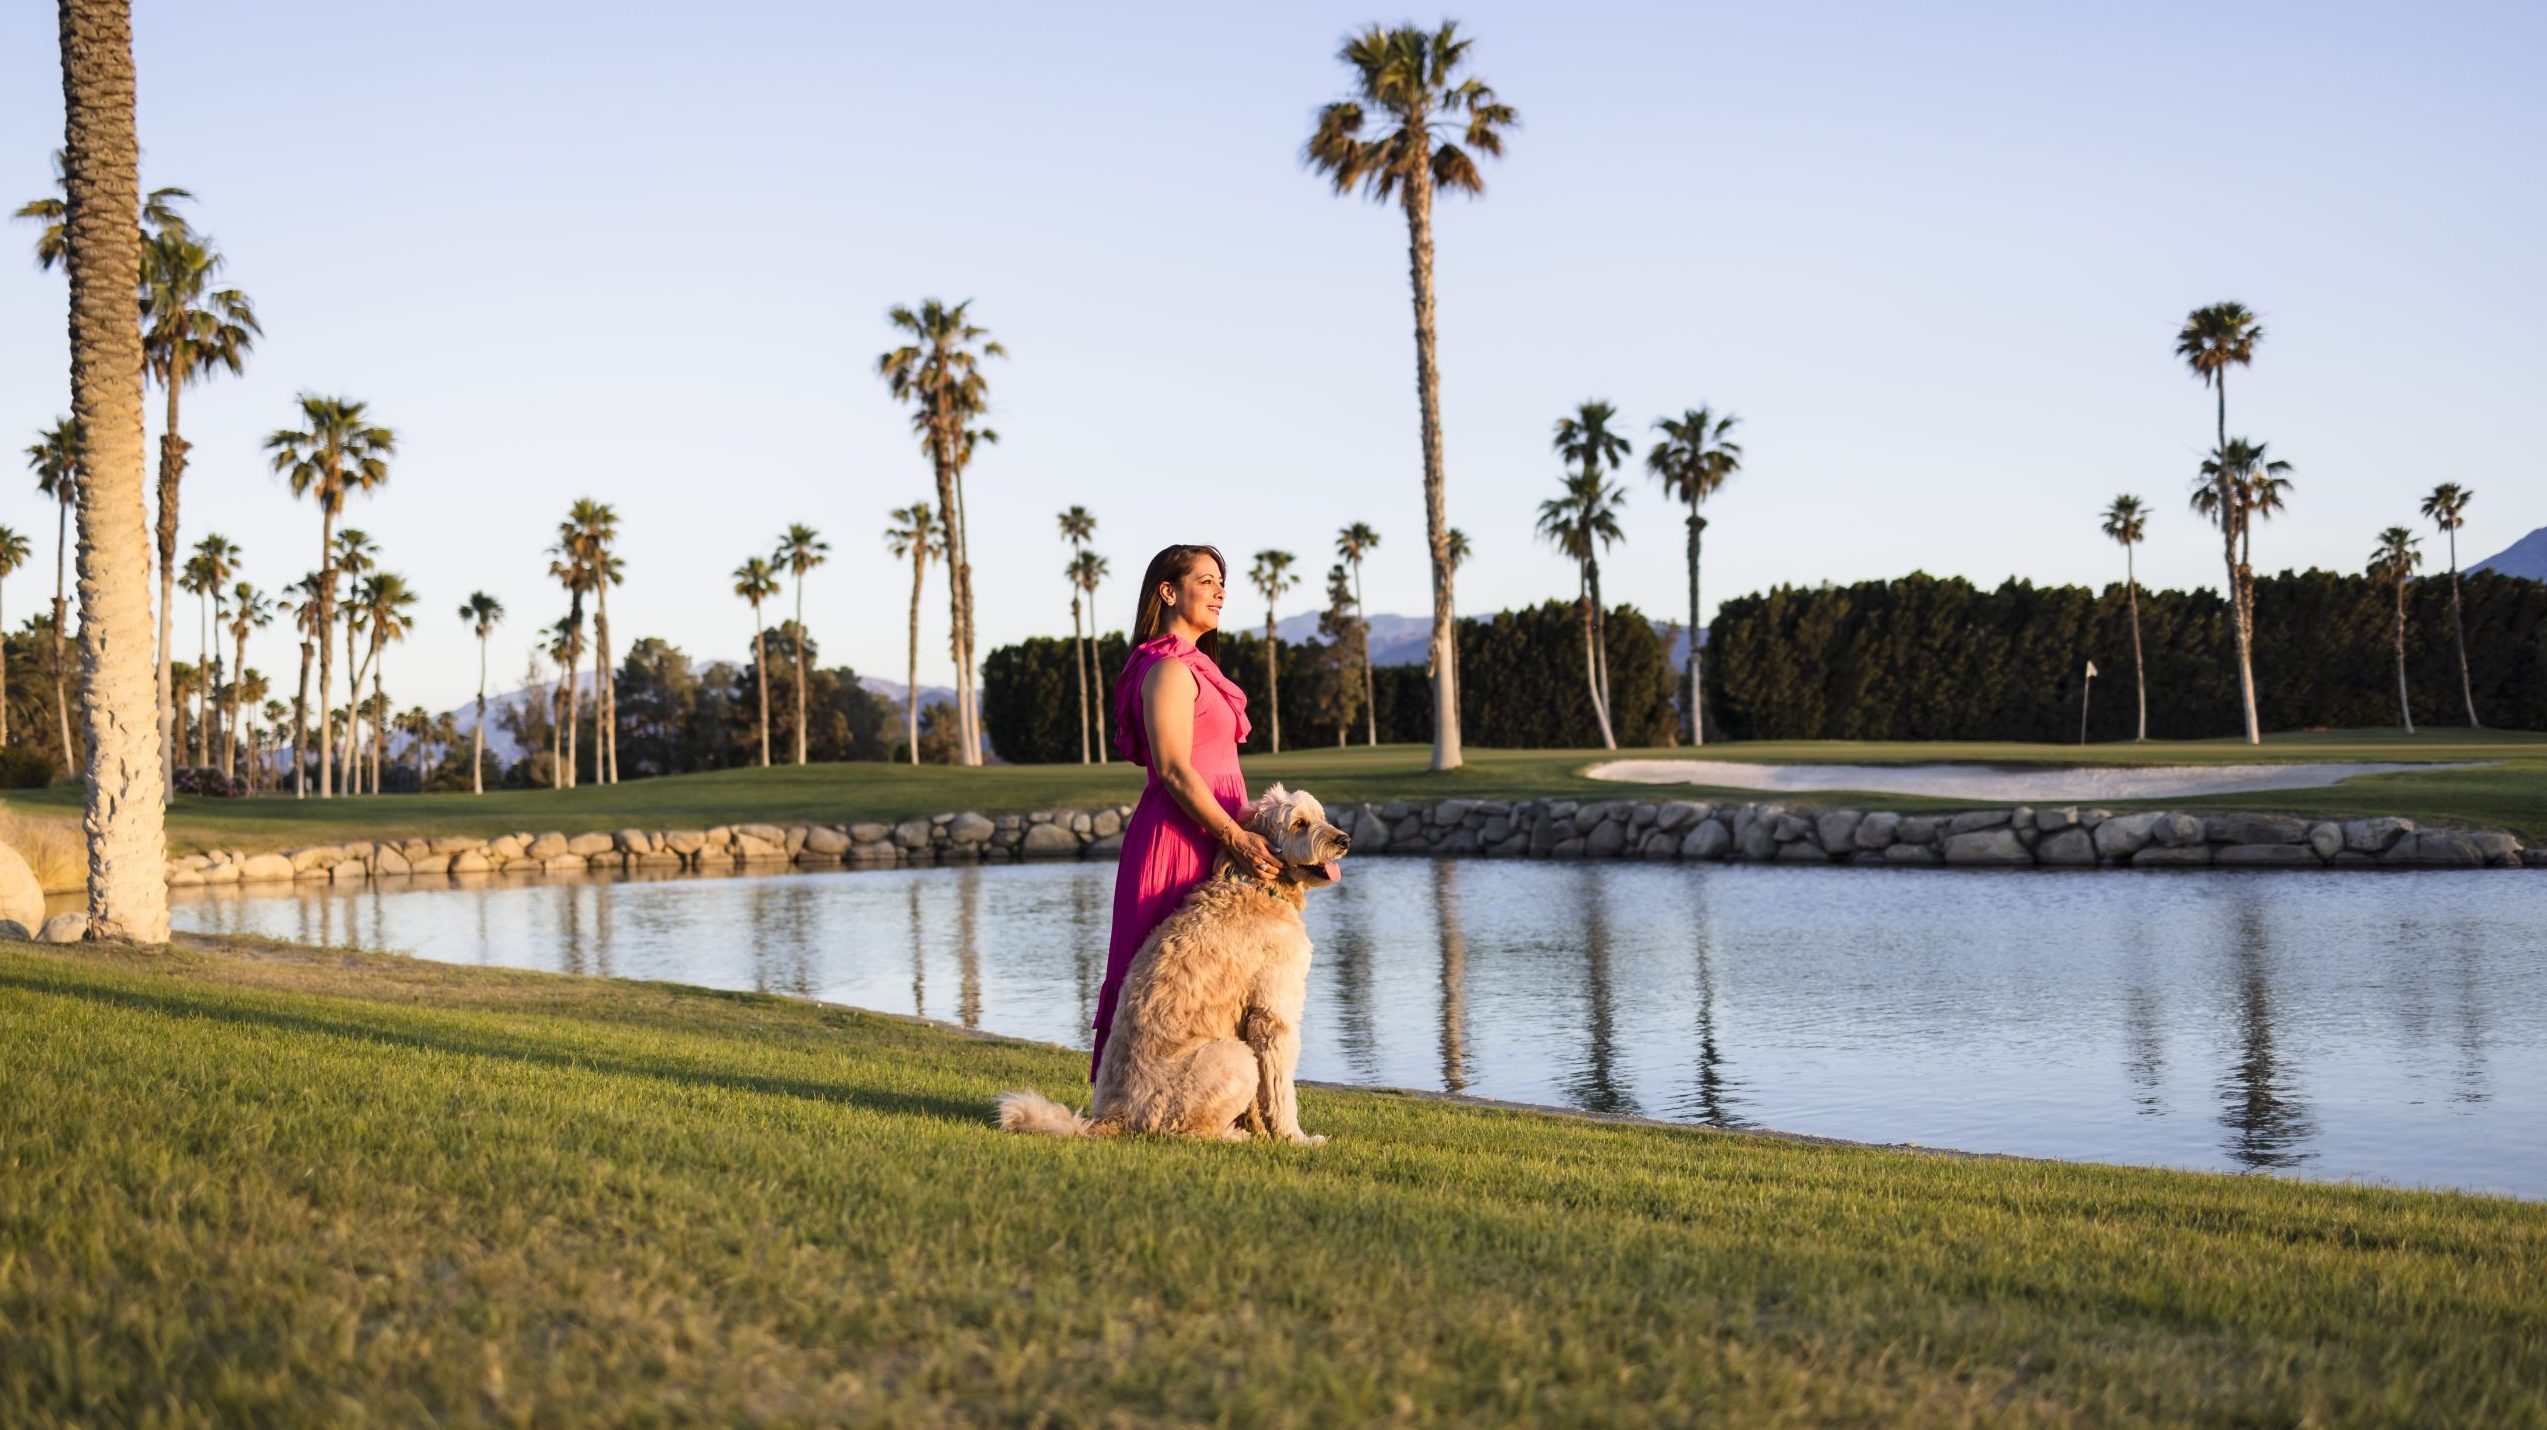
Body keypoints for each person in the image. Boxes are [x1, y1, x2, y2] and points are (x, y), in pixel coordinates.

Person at [1091, 543, 1282, 1080]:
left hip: (1216, 835)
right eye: (1206, 580)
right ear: (1169, 592)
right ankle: (1133, 1095)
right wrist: (1236, 836)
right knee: (1159, 981)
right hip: (1177, 840)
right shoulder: (1168, 670)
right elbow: (1175, 770)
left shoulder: (1197, 666)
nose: (1221, 590)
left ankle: (1213, 1097)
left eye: (1223, 581)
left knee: (1212, 976)